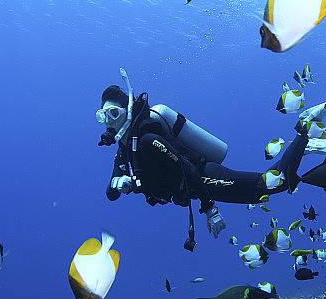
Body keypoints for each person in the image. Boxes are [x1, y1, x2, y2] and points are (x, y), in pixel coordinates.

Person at [97, 72, 313, 252]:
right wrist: (118, 183)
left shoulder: (146, 140)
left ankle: (306, 129)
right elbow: (110, 194)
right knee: (260, 194)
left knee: (274, 184)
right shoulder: (125, 149)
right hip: (195, 189)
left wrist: (211, 211)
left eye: (113, 114)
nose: (109, 122)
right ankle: (304, 143)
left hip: (205, 178)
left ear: (127, 112)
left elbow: (187, 167)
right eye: (103, 116)